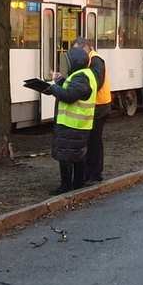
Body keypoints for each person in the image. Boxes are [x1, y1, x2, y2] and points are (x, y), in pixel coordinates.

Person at [42, 47, 97, 194]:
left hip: (72, 124)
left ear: (74, 62)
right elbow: (71, 89)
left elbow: (69, 95)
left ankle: (67, 186)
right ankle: (77, 185)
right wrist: (60, 81)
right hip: (77, 124)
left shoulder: (81, 76)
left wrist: (52, 88)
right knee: (77, 156)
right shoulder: (82, 74)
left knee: (66, 157)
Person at [74, 38, 112, 185]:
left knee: (94, 141)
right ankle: (89, 172)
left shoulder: (96, 60)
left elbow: (97, 81)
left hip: (99, 106)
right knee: (91, 140)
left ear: (87, 48)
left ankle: (94, 173)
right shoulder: (90, 60)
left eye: (78, 50)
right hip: (95, 105)